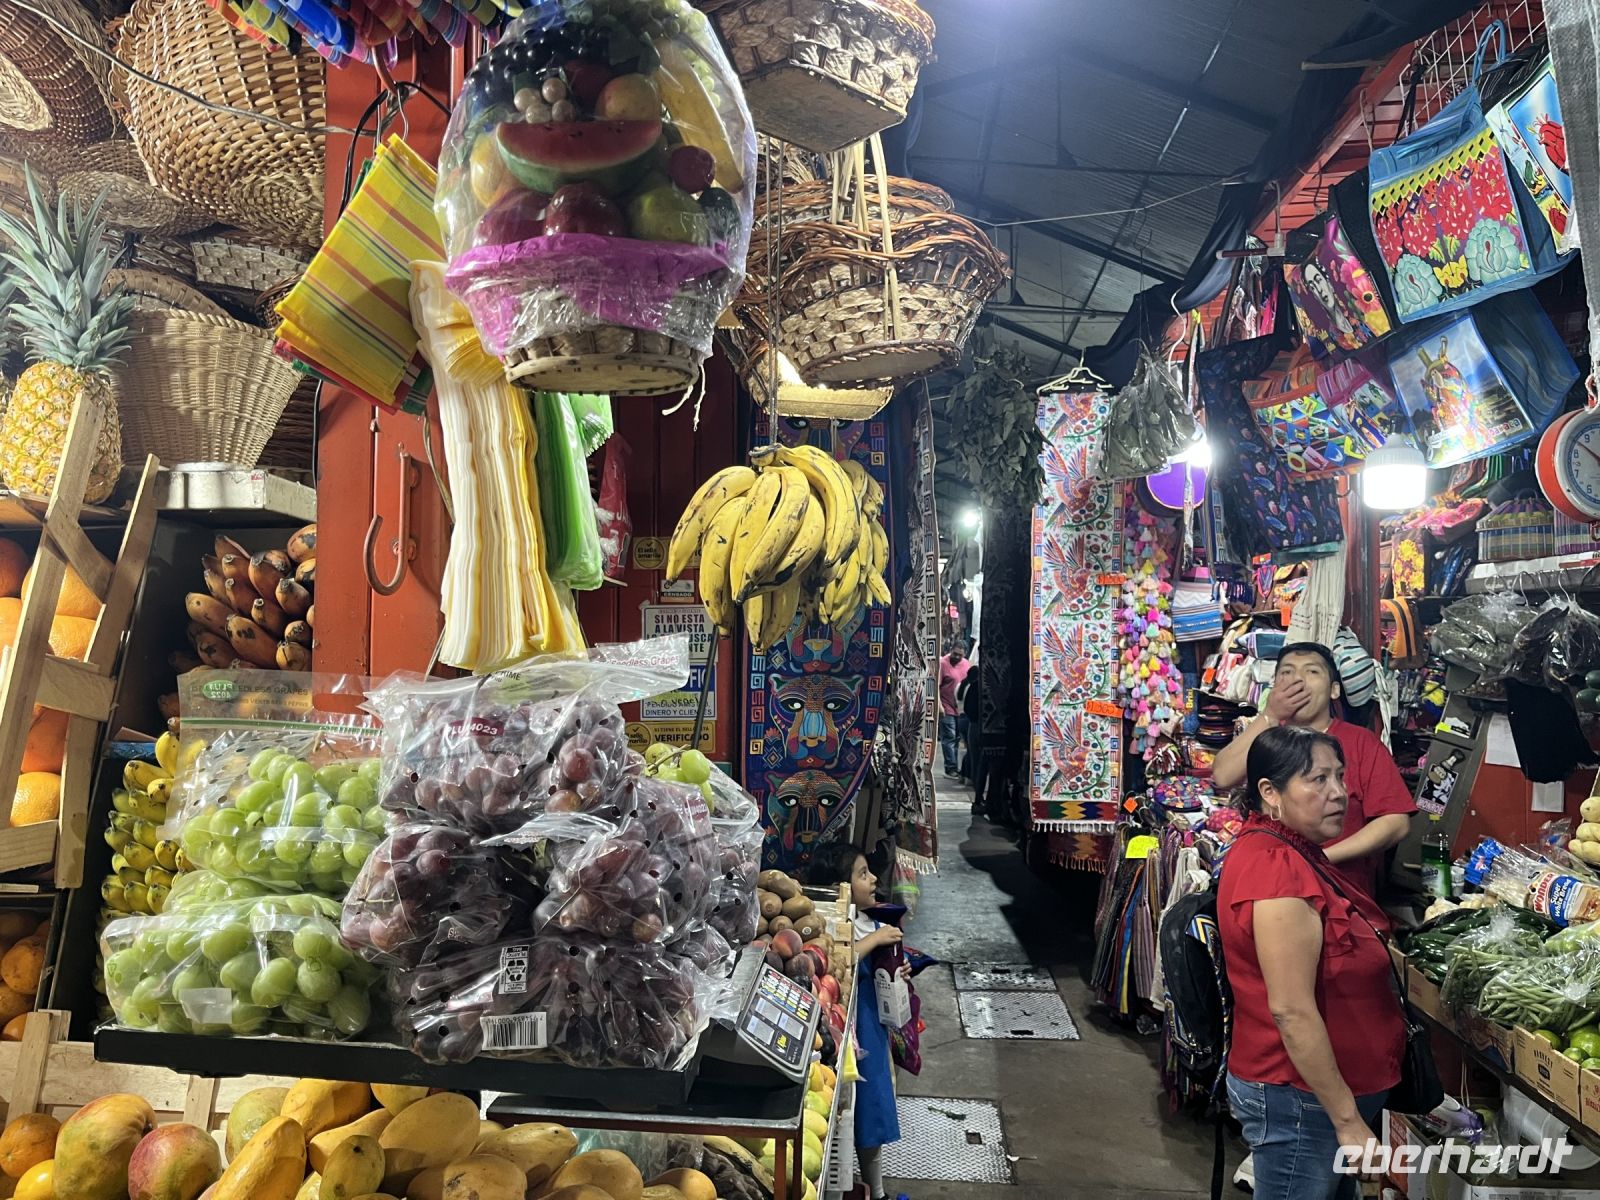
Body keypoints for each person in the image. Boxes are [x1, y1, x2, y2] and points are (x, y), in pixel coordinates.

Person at [1220, 725, 1405, 1200]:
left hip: (1316, 1099)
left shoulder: (1294, 851)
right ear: (1270, 792)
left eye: (1340, 776)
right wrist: (1347, 1120)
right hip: (1300, 1101)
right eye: (1318, 779)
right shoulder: (1275, 869)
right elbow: (1291, 1009)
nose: (1339, 792)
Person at [1211, 641, 1413, 898]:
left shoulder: (1361, 742)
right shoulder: (1268, 741)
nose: (1298, 680)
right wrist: (1270, 714)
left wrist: (1320, 858)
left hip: (1343, 893)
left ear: (1334, 690)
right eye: (1287, 672)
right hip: (1272, 888)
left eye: (1312, 671)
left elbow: (1396, 822)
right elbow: (1222, 776)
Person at [807, 840, 911, 1200]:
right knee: (847, 1113)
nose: (873, 879)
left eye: (869, 872)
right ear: (842, 886)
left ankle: (876, 1191)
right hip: (847, 1033)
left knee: (872, 1111)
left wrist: (901, 970)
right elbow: (839, 958)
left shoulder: (873, 919)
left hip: (871, 1029)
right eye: (862, 874)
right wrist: (875, 940)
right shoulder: (832, 923)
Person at [938, 644, 971, 776]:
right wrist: (939, 706)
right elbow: (936, 686)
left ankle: (956, 767)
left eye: (960, 655)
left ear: (964, 654)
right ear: (951, 650)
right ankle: (951, 767)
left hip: (961, 709)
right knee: (949, 738)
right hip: (947, 706)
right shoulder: (943, 664)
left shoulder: (966, 664)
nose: (957, 657)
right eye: (955, 654)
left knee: (957, 738)